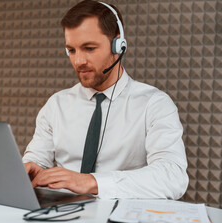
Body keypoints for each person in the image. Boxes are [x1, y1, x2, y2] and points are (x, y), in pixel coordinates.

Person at [22, 0, 188, 199]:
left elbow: (172, 177)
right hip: (61, 218)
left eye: (89, 48)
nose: (78, 61)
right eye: (71, 50)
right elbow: (37, 158)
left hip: (120, 221)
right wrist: (31, 167)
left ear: (118, 45)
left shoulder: (155, 104)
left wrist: (92, 182)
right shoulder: (57, 104)